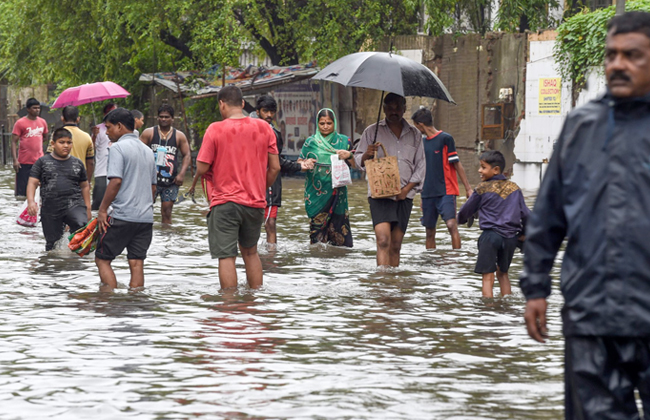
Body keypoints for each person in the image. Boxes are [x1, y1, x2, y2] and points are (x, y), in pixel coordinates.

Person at [521, 12, 650, 418]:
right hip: (592, 314)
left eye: (633, 56)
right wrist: (535, 288)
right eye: (611, 55)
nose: (618, 64)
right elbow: (547, 218)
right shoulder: (580, 127)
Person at [190, 86, 280, 290]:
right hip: (256, 203)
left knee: (226, 256)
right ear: (242, 104)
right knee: (251, 252)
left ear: (221, 104)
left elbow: (203, 167)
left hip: (225, 203)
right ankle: (255, 299)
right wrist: (259, 186)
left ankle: (229, 305)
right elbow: (275, 168)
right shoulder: (265, 128)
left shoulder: (215, 129)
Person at [354, 93, 425, 267]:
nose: (394, 112)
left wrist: (406, 191)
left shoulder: (414, 134)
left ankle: (393, 284)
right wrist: (366, 154)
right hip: (380, 194)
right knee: (383, 240)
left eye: (398, 108)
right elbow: (357, 161)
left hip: (404, 195)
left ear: (404, 108)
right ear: (384, 109)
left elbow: (421, 166)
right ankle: (382, 281)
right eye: (390, 108)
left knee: (395, 245)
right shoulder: (372, 132)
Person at [95, 108, 157, 292]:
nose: (106, 132)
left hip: (122, 216)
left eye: (108, 128)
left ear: (120, 126)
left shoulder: (118, 148)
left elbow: (115, 181)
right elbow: (153, 187)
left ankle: (110, 300)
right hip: (145, 219)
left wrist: (103, 210)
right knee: (137, 263)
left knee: (102, 259)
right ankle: (135, 301)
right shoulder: (147, 151)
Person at [457, 151, 529, 298]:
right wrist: (524, 234)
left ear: (495, 170)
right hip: (510, 239)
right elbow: (526, 214)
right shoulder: (514, 188)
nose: (479, 170)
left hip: (490, 237)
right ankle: (506, 305)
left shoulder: (482, 188)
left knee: (487, 277)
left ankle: (488, 309)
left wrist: (461, 220)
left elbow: (465, 211)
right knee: (503, 274)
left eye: (483, 167)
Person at [254, 95, 314, 249]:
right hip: (253, 183)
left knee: (270, 223)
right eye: (265, 111)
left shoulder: (274, 133)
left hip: (270, 183)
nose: (269, 115)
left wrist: (298, 166)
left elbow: (277, 161)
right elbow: (278, 162)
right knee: (252, 223)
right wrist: (299, 166)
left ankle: (271, 256)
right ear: (258, 111)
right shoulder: (251, 131)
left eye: (272, 112)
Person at [411, 107, 472, 250]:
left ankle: (456, 257)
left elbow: (457, 164)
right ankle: (431, 261)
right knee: (429, 231)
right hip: (427, 193)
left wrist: (468, 188)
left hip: (446, 190)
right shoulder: (421, 143)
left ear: (420, 124)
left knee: (451, 225)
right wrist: (421, 195)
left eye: (416, 126)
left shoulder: (445, 139)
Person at [26, 128, 91, 251]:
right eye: (62, 142)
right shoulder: (42, 162)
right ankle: (55, 266)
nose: (66, 146)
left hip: (74, 204)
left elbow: (84, 185)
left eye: (69, 142)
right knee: (52, 245)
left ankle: (77, 266)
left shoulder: (77, 163)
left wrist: (88, 208)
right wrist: (31, 202)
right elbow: (32, 182)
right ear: (53, 144)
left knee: (80, 228)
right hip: (51, 208)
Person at [299, 108, 354, 247]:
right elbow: (300, 161)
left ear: (334, 123)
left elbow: (355, 164)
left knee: (339, 235)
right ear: (317, 124)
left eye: (329, 123)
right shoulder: (310, 142)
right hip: (316, 194)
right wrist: (305, 164)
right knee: (316, 239)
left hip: (338, 193)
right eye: (322, 123)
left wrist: (349, 155)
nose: (325, 126)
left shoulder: (344, 141)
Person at [140, 104, 191, 225]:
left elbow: (187, 155)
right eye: (161, 116)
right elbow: (138, 152)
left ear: (172, 119)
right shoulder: (149, 133)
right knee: (144, 210)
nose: (163, 119)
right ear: (157, 118)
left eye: (166, 117)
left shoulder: (179, 136)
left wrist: (182, 174)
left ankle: (167, 238)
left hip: (171, 181)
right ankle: (148, 236)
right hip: (150, 180)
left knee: (167, 212)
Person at [11, 98, 48, 197]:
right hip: (24, 162)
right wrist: (15, 160)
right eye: (34, 108)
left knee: (39, 190)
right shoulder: (20, 123)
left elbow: (45, 137)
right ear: (28, 109)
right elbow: (14, 142)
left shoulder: (43, 122)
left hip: (39, 161)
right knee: (22, 193)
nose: (37, 110)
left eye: (38, 108)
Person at [46, 105, 95, 178]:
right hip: (79, 178)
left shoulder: (56, 135)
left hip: (60, 177)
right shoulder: (87, 137)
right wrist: (88, 182)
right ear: (78, 119)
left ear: (62, 118)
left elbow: (49, 157)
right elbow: (90, 162)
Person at [91, 102, 117, 210]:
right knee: (98, 203)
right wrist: (94, 136)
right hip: (101, 171)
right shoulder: (98, 129)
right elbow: (92, 150)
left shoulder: (120, 128)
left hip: (116, 171)